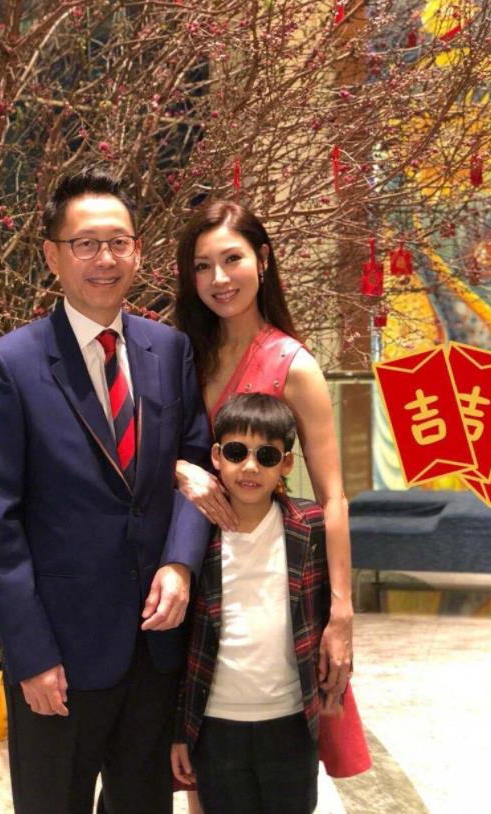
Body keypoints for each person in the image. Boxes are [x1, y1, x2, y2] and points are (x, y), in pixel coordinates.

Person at [0, 166, 212, 814]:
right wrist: (30, 655)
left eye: (118, 242)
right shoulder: (9, 366)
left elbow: (193, 463)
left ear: (137, 251)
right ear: (53, 256)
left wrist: (181, 563)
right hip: (62, 655)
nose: (105, 259)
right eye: (85, 244)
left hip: (155, 647)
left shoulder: (169, 351)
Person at [173, 200, 370, 811]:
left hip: (270, 581)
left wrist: (341, 614)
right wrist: (181, 470)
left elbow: (333, 495)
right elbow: (151, 456)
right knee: (204, 768)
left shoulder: (293, 364)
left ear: (262, 260)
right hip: (194, 578)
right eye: (202, 266)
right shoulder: (182, 354)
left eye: (231, 259)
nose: (218, 278)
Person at [171, 393, 328, 813]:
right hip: (215, 724)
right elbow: (182, 641)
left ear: (286, 463)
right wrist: (180, 731)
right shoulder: (195, 532)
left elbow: (324, 613)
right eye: (237, 452)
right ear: (216, 456)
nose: (251, 467)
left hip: (291, 721)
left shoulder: (309, 525)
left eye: (267, 455)